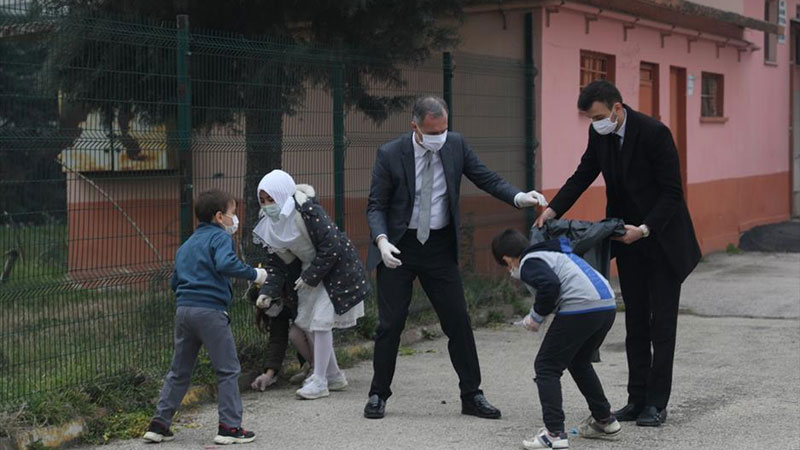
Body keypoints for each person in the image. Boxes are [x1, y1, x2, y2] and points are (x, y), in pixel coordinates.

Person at [364, 96, 547, 419]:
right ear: (415, 127)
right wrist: (381, 242)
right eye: (432, 132)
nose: (439, 137)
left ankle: (471, 395)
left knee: (459, 322)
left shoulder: (456, 145)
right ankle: (378, 394)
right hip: (398, 247)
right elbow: (377, 204)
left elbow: (485, 177)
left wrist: (519, 197)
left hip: (438, 247)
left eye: (444, 130)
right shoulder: (391, 153)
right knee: (390, 325)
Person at [535, 80, 701, 427]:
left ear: (617, 109)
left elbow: (672, 192)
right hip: (625, 239)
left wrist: (645, 228)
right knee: (635, 322)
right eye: (590, 118)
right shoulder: (600, 134)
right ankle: (636, 399)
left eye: (598, 116)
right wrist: (553, 210)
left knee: (662, 326)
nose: (595, 123)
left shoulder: (655, 133)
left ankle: (657, 403)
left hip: (662, 239)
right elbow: (584, 174)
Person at [143, 189, 267, 445]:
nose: (236, 219)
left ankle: (159, 423)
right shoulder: (220, 238)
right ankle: (230, 428)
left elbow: (175, 281)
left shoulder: (186, 245)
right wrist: (254, 274)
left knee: (179, 371)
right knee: (227, 369)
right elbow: (225, 264)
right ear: (219, 217)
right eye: (233, 213)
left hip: (184, 311)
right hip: (210, 312)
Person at [491, 229, 620, 449]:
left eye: (507, 266)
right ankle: (604, 420)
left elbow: (550, 285)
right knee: (578, 362)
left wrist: (535, 317)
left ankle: (554, 433)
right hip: (606, 305)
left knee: (546, 366)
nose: (510, 270)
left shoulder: (530, 261)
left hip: (582, 307)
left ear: (507, 259)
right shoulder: (555, 254)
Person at [252, 169, 369, 400]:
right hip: (309, 272)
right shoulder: (270, 224)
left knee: (320, 322)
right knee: (301, 327)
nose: (267, 205)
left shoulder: (307, 211)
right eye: (262, 200)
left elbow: (332, 246)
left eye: (271, 199)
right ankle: (332, 374)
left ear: (283, 193)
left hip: (336, 270)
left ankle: (320, 380)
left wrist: (310, 276)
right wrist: (268, 291)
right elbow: (276, 263)